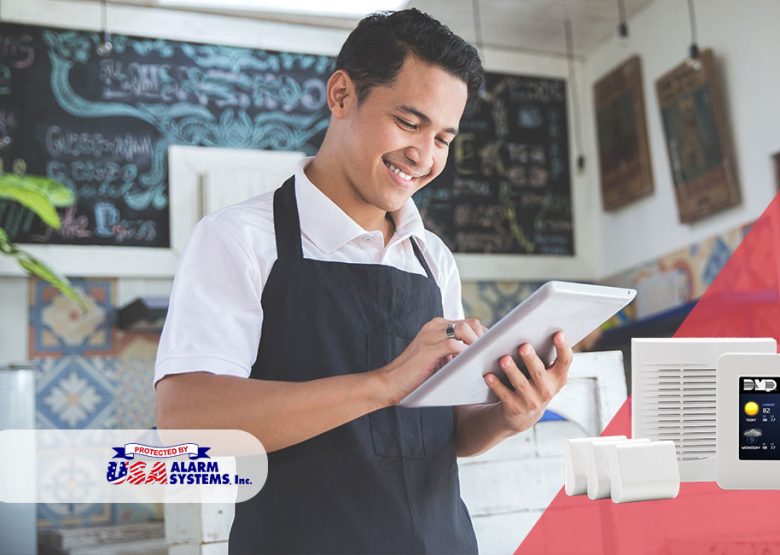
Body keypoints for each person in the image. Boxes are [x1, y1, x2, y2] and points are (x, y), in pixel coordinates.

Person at [153, 9, 572, 554]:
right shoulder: (238, 239)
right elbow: (185, 425)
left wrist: (509, 415)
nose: (424, 157)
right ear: (342, 95)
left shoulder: (432, 258)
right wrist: (382, 384)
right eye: (409, 122)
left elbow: (442, 436)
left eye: (444, 138)